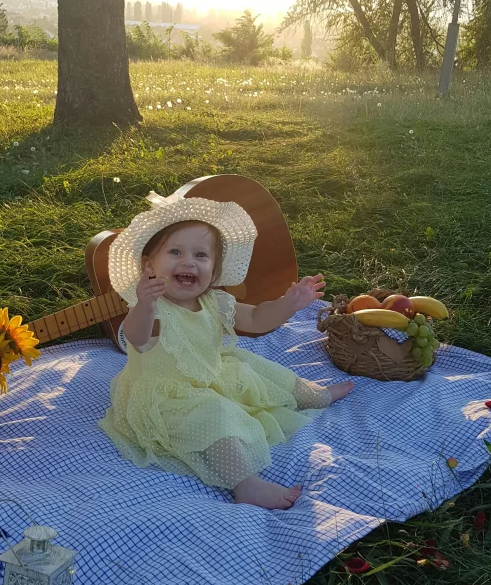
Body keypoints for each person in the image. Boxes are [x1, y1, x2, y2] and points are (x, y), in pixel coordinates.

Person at [98, 191, 354, 510]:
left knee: (256, 367)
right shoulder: (152, 308)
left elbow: (259, 318)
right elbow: (136, 337)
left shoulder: (214, 302)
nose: (188, 262)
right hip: (168, 397)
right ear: (149, 266)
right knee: (214, 416)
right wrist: (145, 305)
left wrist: (290, 304)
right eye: (175, 252)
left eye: (201, 256)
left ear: (215, 270)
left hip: (212, 373)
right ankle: (246, 484)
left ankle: (314, 395)